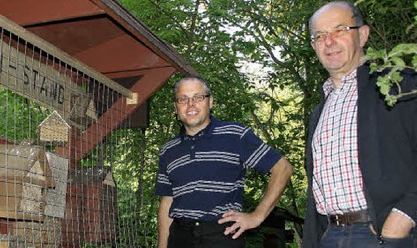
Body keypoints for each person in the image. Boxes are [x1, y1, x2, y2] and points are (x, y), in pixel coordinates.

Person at [303, 1, 417, 247]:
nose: (329, 41)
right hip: (330, 235)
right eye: (320, 36)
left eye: (340, 30)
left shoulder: (398, 87)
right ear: (314, 46)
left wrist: (405, 215)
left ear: (362, 34)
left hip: (385, 235)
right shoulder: (319, 112)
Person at [155, 77, 293, 248]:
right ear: (176, 107)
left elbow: (283, 168)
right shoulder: (168, 150)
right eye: (183, 99)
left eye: (198, 97)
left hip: (222, 236)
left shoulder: (235, 135)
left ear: (210, 102)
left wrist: (257, 216)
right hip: (179, 238)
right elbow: (167, 202)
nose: (190, 104)